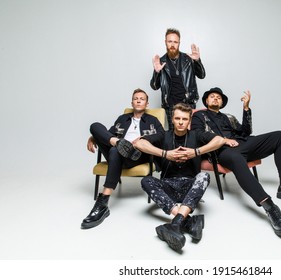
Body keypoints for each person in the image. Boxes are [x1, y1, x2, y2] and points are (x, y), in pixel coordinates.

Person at [191, 87, 281, 236]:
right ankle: (269, 206)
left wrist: (246, 108)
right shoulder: (199, 116)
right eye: (212, 96)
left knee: (280, 136)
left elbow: (245, 132)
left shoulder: (229, 117)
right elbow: (197, 134)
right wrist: (223, 140)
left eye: (219, 97)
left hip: (243, 144)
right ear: (206, 101)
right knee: (236, 158)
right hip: (222, 151)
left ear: (222, 102)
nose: (215, 98)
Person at [133, 103, 225, 251]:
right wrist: (165, 154)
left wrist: (195, 152)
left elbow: (220, 140)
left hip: (189, 188)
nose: (181, 122)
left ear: (189, 121)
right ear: (172, 120)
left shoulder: (196, 134)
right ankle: (188, 220)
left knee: (204, 176)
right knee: (146, 180)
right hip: (167, 187)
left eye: (184, 119)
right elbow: (139, 143)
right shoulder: (164, 135)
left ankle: (174, 224)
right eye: (177, 118)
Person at [81, 88, 165, 230]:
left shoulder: (152, 120)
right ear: (132, 102)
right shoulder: (122, 118)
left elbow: (162, 135)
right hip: (117, 152)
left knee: (114, 150)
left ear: (147, 104)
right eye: (135, 98)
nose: (138, 100)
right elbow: (108, 133)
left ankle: (103, 203)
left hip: (136, 155)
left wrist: (144, 138)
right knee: (95, 126)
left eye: (142, 99)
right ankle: (119, 143)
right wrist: (95, 136)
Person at [150, 28, 206, 130]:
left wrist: (197, 61)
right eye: (170, 41)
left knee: (191, 134)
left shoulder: (188, 58)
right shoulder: (161, 61)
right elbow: (154, 86)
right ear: (165, 42)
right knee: (173, 136)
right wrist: (156, 72)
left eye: (175, 42)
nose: (172, 44)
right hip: (170, 106)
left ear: (179, 43)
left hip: (188, 103)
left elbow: (202, 75)